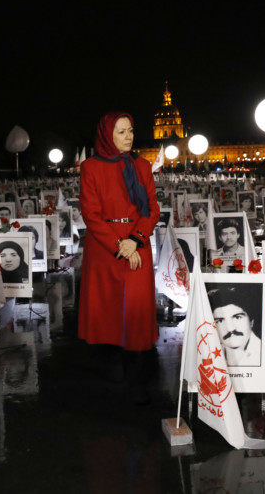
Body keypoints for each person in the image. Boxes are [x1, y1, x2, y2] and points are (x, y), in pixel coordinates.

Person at [78, 111, 160, 404]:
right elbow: (90, 213)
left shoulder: (142, 165)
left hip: (137, 243)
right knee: (107, 309)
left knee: (136, 310)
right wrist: (119, 245)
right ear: (107, 136)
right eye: (121, 132)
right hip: (104, 248)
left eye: (130, 131)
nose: (129, 137)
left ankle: (137, 377)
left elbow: (151, 209)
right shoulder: (90, 167)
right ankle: (111, 372)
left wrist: (135, 242)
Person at [207, 286, 261, 366]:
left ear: (251, 322)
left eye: (237, 317)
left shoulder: (262, 354)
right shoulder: (207, 352)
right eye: (220, 321)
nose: (230, 329)